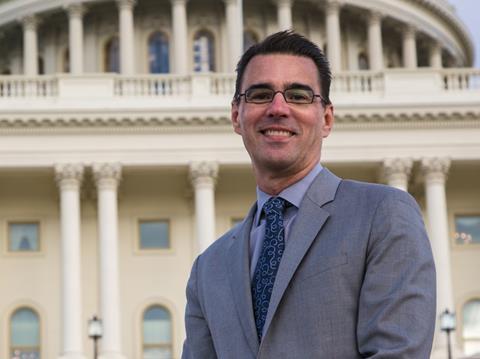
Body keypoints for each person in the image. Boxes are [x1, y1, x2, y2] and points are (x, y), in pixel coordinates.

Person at [182, 30, 436, 358]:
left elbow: (398, 352)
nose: (278, 107)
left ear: (326, 118)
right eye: (260, 95)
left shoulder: (381, 215)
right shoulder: (208, 269)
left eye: (298, 95)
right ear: (236, 116)